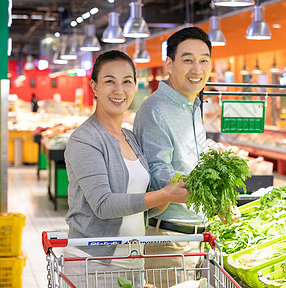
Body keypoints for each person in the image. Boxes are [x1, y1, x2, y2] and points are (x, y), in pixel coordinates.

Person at [64, 50, 189, 286]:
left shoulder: (130, 137)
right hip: (94, 266)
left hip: (133, 263)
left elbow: (141, 209)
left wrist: (170, 196)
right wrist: (164, 194)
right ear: (94, 86)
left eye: (127, 82)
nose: (119, 90)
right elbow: (103, 205)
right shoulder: (85, 139)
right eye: (109, 81)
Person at [133, 27, 213, 286]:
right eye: (188, 60)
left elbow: (194, 163)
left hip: (197, 237)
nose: (197, 69)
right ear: (169, 64)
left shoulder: (193, 105)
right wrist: (204, 193)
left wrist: (217, 203)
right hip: (169, 241)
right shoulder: (155, 109)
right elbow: (160, 173)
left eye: (204, 60)